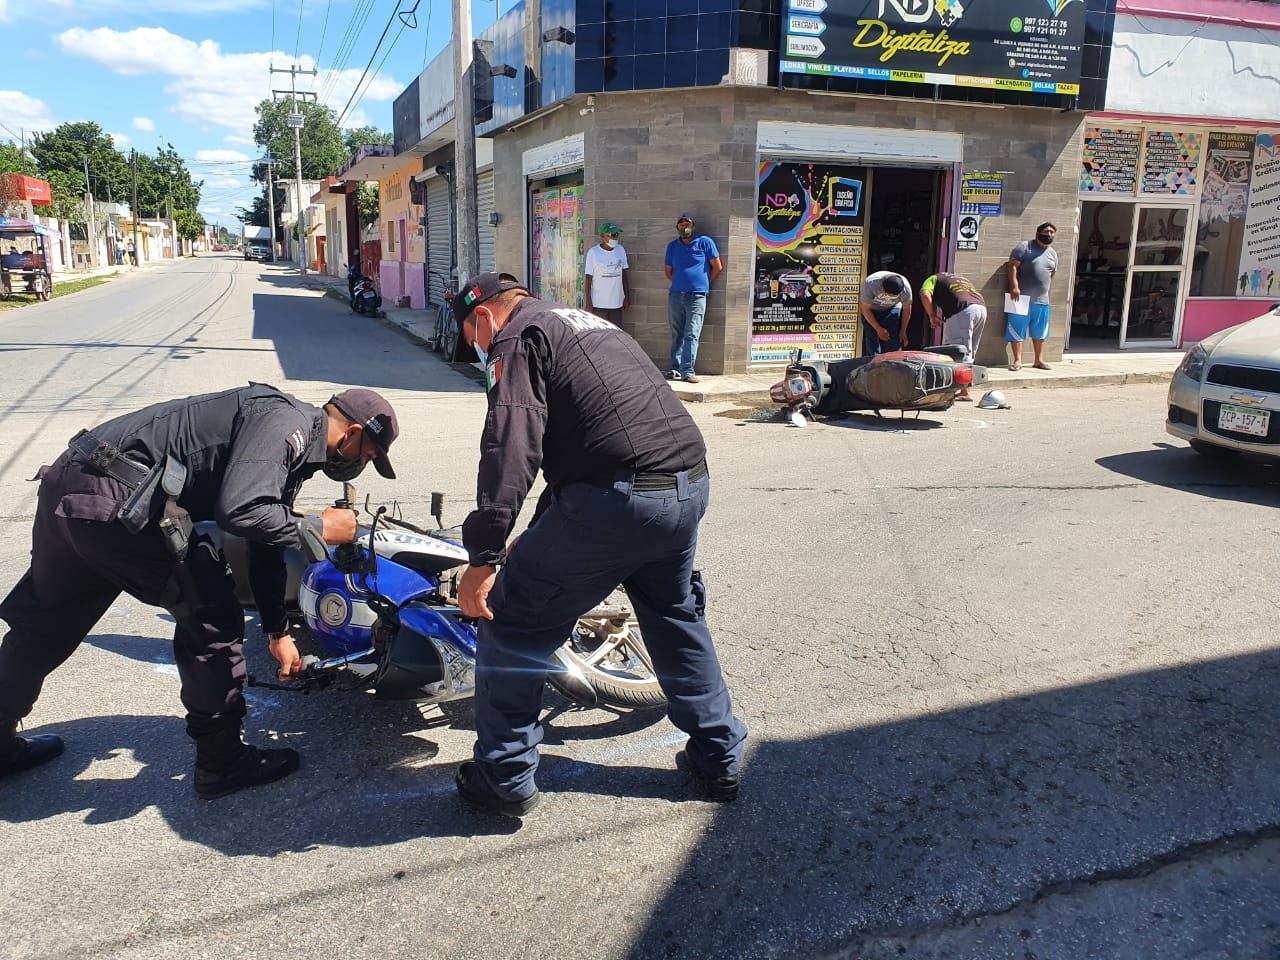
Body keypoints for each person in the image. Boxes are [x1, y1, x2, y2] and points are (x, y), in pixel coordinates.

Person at [0, 386, 400, 799]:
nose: (364, 464)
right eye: (369, 454)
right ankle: (222, 763)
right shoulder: (289, 425)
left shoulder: (286, 437)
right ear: (351, 433)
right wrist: (316, 527)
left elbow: (264, 540)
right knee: (213, 619)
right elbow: (241, 510)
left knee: (46, 624)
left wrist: (277, 631)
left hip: (72, 484)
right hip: (121, 500)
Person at [449, 272, 748, 818]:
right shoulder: (585, 324)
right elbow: (585, 449)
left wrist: (485, 556)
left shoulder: (515, 336)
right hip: (685, 487)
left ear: (485, 317)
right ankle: (719, 757)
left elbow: (511, 446)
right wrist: (530, 536)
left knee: (511, 619)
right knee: (673, 613)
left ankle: (503, 777)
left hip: (619, 502)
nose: (477, 347)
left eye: (473, 336)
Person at [664, 213, 722, 384]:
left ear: (694, 226)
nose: (684, 227)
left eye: (687, 224)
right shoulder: (673, 246)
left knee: (691, 333)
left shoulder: (705, 242)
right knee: (677, 333)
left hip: (696, 296)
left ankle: (687, 371)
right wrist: (680, 283)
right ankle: (675, 368)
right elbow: (668, 270)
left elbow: (717, 267)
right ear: (677, 228)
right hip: (676, 295)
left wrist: (703, 283)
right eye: (681, 225)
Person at [920, 272, 987, 401]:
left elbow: (925, 294)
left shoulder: (932, 278)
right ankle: (964, 388)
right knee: (970, 351)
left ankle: (964, 391)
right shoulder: (958, 278)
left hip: (962, 310)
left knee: (957, 351)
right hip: (981, 308)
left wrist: (932, 316)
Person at [1006, 222, 1058, 371]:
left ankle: (1038, 360)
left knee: (1040, 332)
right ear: (1037, 233)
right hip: (1020, 298)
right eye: (1046, 231)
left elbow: (1051, 274)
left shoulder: (1053, 253)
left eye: (1052, 232)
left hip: (1041, 300)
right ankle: (1017, 361)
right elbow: (1012, 266)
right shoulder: (1024, 247)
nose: (1049, 234)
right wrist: (1014, 286)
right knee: (1016, 329)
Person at [583, 222, 630, 326]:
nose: (615, 238)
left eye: (617, 235)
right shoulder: (593, 252)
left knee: (616, 335)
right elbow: (588, 279)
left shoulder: (620, 250)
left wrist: (627, 297)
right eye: (612, 235)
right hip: (599, 305)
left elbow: (624, 275)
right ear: (602, 236)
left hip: (616, 304)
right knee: (600, 336)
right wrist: (589, 302)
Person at [859, 270, 913, 356]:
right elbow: (865, 309)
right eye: (887, 294)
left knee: (892, 340)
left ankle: (892, 363)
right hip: (872, 310)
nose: (888, 297)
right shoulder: (871, 284)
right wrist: (878, 329)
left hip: (892, 308)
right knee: (872, 339)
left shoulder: (906, 289)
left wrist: (903, 331)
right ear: (883, 288)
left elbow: (907, 309)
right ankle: (874, 365)